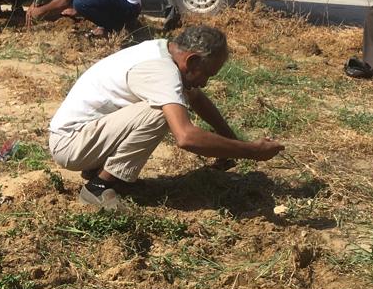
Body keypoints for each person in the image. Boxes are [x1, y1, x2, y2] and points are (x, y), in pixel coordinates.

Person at [48, 24, 284, 208]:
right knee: (161, 113)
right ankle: (99, 186)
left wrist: (231, 141)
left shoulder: (163, 51)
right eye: (207, 74)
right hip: (71, 144)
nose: (204, 82)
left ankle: (99, 170)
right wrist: (252, 151)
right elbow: (186, 137)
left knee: (174, 100)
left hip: (83, 137)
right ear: (191, 60)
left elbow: (197, 98)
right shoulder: (162, 72)